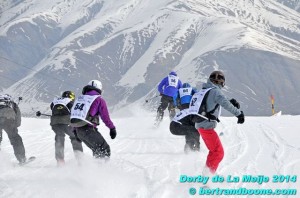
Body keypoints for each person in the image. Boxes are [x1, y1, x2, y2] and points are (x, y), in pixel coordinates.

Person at [190, 71, 244, 176]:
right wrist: (239, 114)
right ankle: (207, 178)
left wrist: (230, 101)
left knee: (213, 151)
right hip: (206, 127)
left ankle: (208, 174)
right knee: (218, 152)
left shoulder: (204, 90)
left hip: (200, 124)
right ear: (221, 82)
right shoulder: (215, 92)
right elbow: (224, 103)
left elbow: (217, 99)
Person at [70, 80, 116, 159]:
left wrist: (75, 131)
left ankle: (94, 169)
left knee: (97, 151)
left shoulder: (80, 99)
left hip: (78, 131)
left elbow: (75, 115)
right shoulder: (99, 100)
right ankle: (102, 170)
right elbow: (105, 117)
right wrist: (112, 128)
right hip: (88, 130)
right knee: (104, 149)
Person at [50, 91, 83, 166]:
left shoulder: (56, 100)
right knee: (75, 137)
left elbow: (52, 108)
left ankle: (60, 160)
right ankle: (80, 160)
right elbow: (75, 112)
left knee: (59, 138)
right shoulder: (70, 101)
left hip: (54, 123)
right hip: (67, 123)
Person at [0, 94, 26, 164]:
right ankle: (21, 159)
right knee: (15, 138)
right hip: (8, 117)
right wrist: (15, 125)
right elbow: (18, 115)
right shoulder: (11, 101)